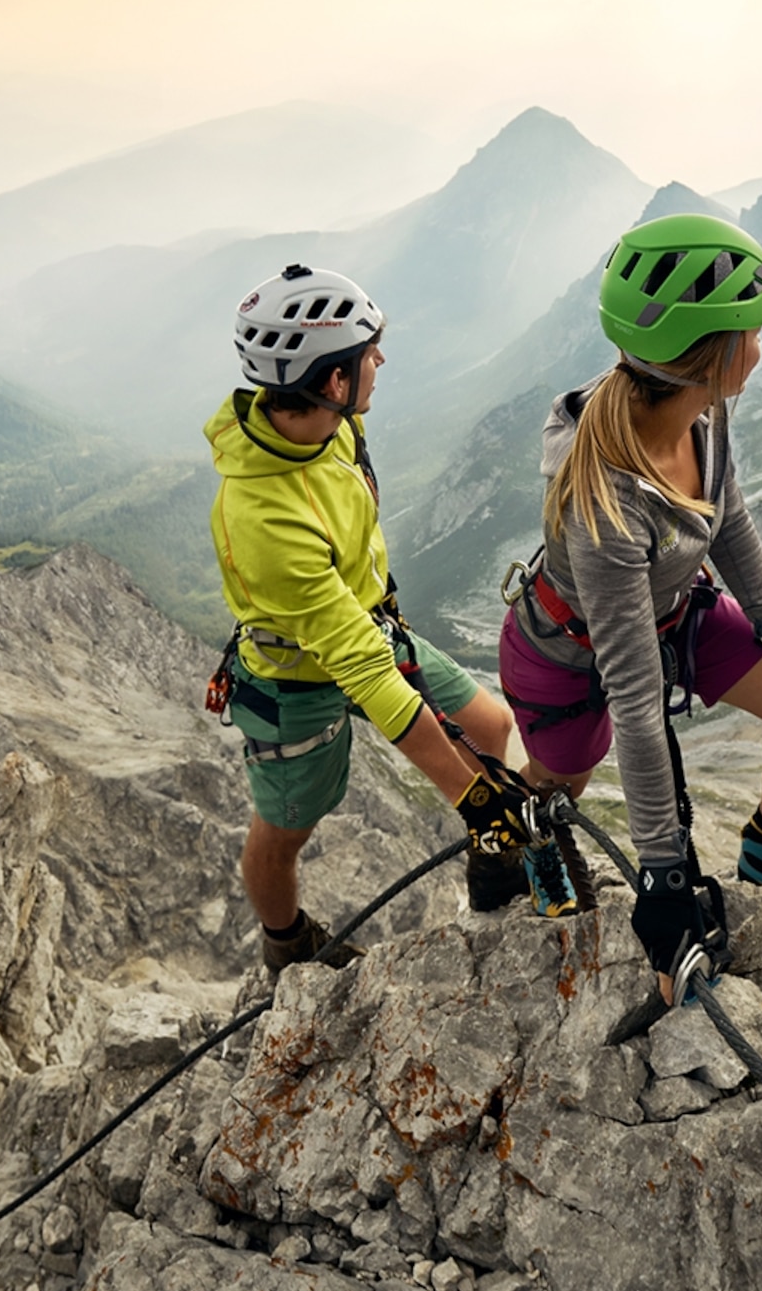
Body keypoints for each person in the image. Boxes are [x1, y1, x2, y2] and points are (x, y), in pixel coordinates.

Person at [496, 214, 762, 995]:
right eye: (752, 333)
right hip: (566, 652)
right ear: (711, 351)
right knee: (567, 774)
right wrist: (665, 878)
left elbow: (725, 520)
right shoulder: (604, 502)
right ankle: (529, 824)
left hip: (677, 616)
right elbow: (637, 704)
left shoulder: (704, 414)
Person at [206, 263, 553, 972]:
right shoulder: (263, 517)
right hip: (292, 681)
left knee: (492, 729)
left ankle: (496, 875)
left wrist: (481, 797)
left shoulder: (324, 426)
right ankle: (286, 943)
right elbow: (359, 667)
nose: (381, 362)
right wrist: (469, 797)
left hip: (367, 625)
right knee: (286, 828)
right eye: (368, 354)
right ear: (333, 382)